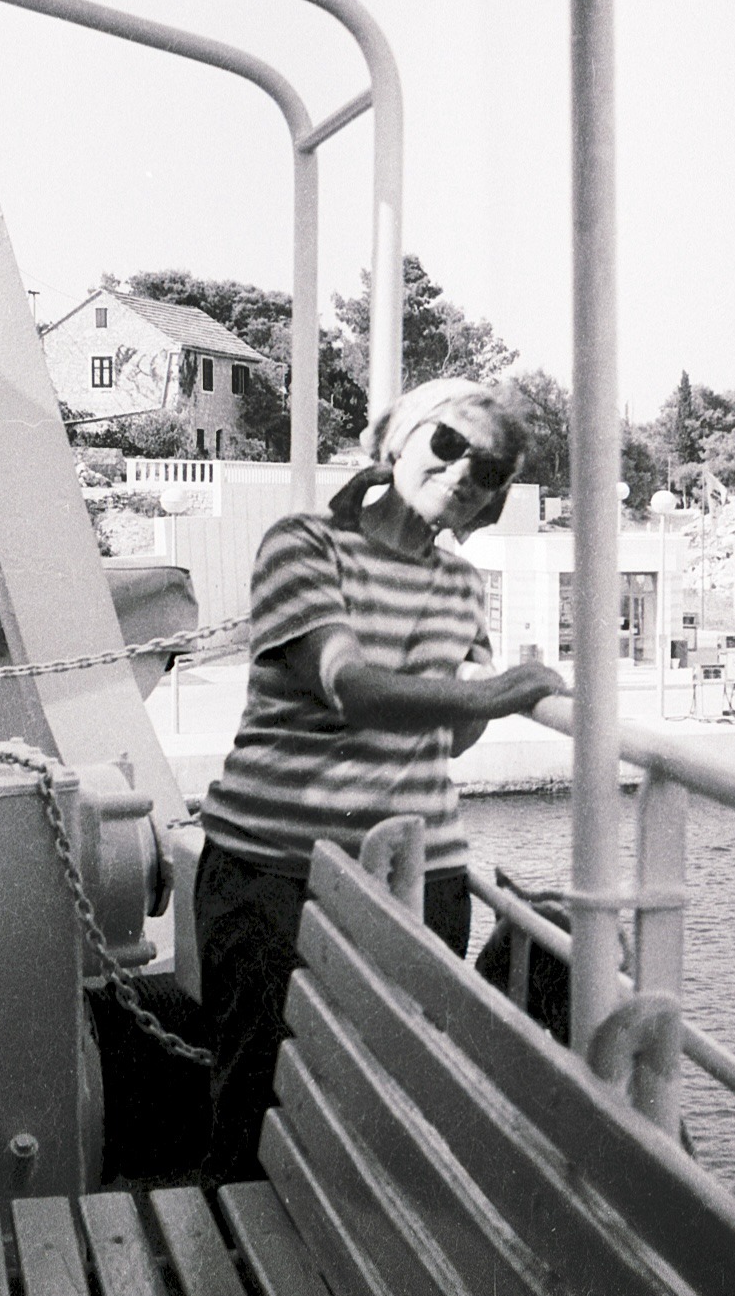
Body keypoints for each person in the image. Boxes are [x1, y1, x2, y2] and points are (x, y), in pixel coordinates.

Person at [194, 377, 568, 1187]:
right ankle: (236, 1288)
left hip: (422, 876)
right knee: (257, 1101)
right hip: (276, 869)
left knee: (385, 1100)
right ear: (396, 440)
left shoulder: (464, 586)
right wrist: (493, 691)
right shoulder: (304, 545)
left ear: (495, 501)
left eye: (491, 468)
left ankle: (337, 1285)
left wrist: (480, 689)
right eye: (447, 442)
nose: (465, 469)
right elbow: (351, 687)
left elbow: (455, 738)